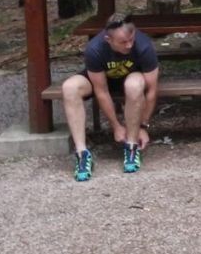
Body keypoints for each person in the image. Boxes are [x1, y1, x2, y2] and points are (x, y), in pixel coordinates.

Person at [61, 14, 160, 182]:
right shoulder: (95, 49)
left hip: (132, 79)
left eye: (131, 39)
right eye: (123, 42)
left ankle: (132, 145)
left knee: (134, 85)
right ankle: (82, 153)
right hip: (102, 81)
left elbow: (151, 90)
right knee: (69, 88)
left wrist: (143, 126)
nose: (129, 45)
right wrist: (115, 126)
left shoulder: (143, 45)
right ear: (108, 39)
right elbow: (101, 91)